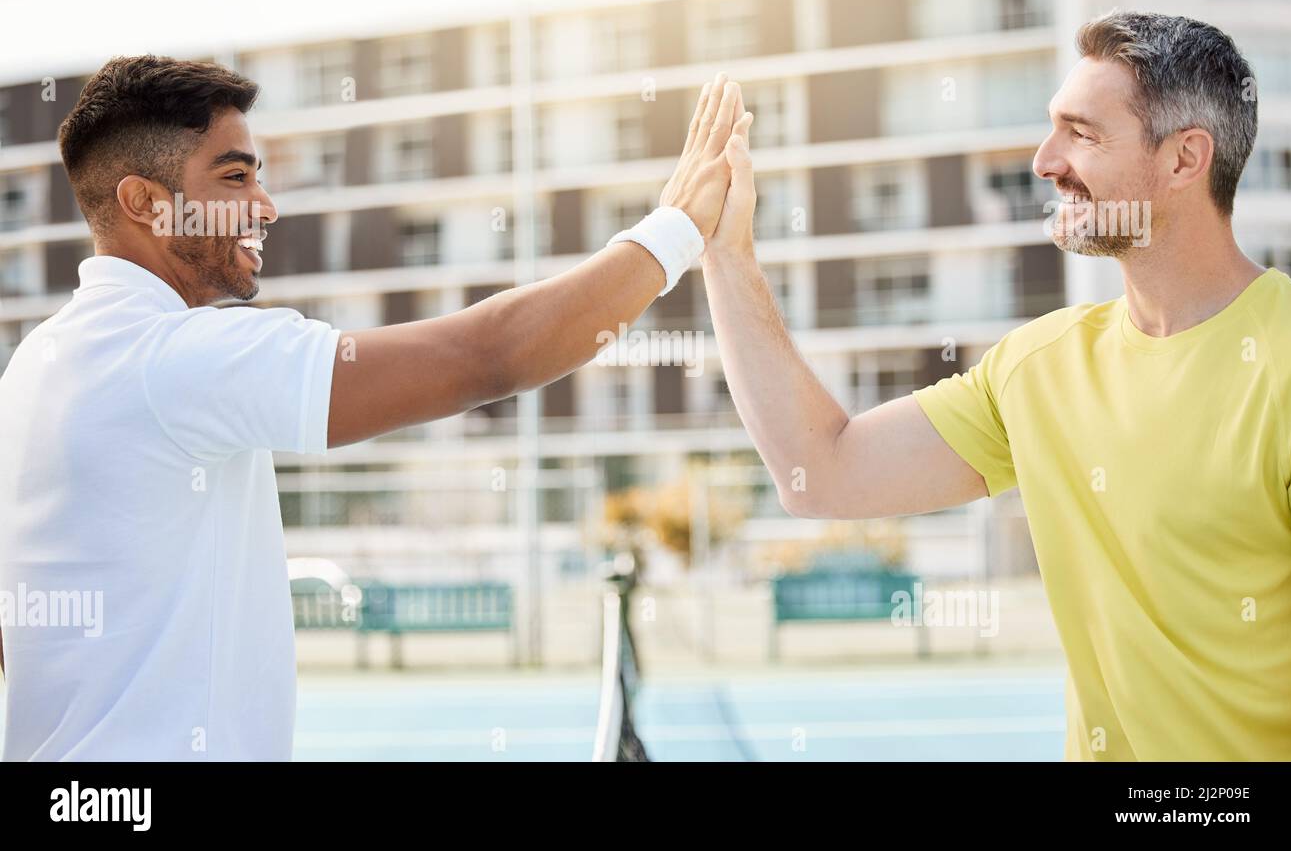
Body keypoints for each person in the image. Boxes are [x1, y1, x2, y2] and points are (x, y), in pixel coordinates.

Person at [0, 55, 750, 760]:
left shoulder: (35, 364)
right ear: (143, 203)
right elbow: (485, 357)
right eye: (234, 178)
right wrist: (677, 228)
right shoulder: (179, 359)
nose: (264, 205)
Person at [702, 11, 1291, 761]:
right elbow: (818, 470)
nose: (1045, 161)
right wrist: (729, 255)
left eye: (1081, 134)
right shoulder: (1038, 366)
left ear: (1184, 161)